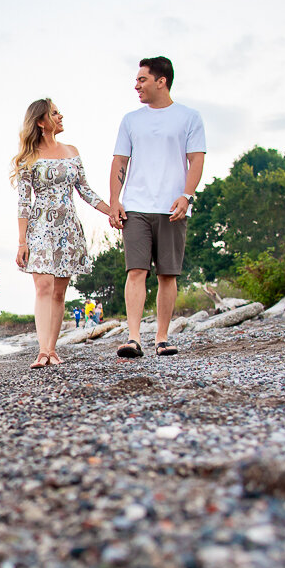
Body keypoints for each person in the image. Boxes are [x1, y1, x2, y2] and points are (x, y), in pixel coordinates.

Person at [107, 56, 206, 358]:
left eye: (142, 79)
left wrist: (187, 195)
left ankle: (162, 338)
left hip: (172, 206)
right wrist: (114, 202)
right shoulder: (131, 120)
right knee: (135, 271)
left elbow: (196, 159)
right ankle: (134, 337)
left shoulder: (189, 117)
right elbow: (120, 161)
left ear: (161, 81)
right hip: (136, 207)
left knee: (167, 274)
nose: (136, 85)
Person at [14, 98, 112, 369]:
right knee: (43, 287)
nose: (61, 116)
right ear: (41, 122)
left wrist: (113, 210)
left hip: (68, 228)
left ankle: (52, 350)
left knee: (59, 292)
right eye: (55, 113)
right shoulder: (27, 159)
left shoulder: (72, 151)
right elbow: (23, 203)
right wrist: (22, 242)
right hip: (40, 227)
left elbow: (86, 191)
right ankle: (42, 351)